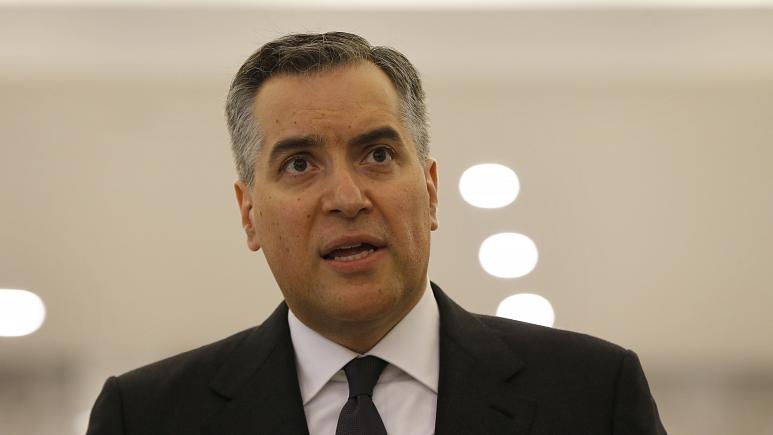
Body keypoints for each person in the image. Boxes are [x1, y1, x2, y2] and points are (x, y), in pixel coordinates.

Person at [86, 32, 666, 435]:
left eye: (379, 154)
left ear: (431, 190)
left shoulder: (593, 394)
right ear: (249, 214)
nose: (347, 198)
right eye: (299, 164)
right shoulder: (145, 417)